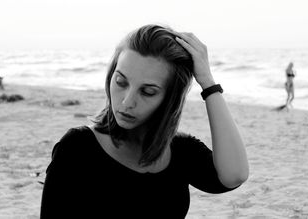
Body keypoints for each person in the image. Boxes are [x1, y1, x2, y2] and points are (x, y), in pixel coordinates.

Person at [40, 24, 249, 218]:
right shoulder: (78, 148)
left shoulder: (180, 150)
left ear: (169, 98)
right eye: (121, 81)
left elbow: (234, 175)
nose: (127, 101)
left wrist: (208, 83)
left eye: (148, 92)